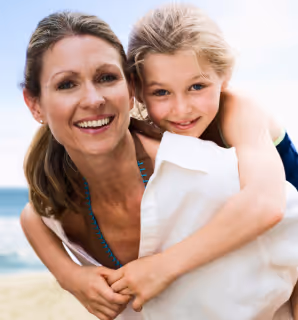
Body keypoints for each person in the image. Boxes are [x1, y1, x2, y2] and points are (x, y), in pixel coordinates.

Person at [19, 10, 298, 320]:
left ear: (224, 76)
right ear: (138, 89)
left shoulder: (238, 109)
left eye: (197, 87)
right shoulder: (135, 118)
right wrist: (69, 276)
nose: (180, 109)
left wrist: (163, 266)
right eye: (161, 92)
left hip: (281, 184)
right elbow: (33, 215)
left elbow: (266, 204)